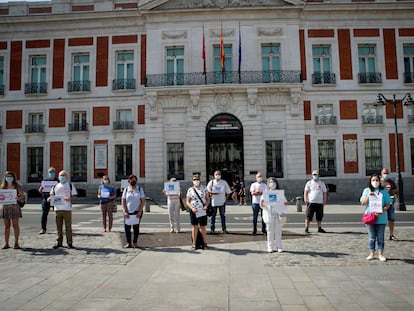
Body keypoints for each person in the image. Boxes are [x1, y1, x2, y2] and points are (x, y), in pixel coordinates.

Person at [360, 174, 392, 262]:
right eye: (373, 180)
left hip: (381, 217)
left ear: (379, 181)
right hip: (370, 217)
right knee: (371, 237)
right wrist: (368, 197)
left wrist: (383, 209)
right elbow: (362, 203)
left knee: (380, 237)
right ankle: (371, 253)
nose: (375, 182)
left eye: (377, 180)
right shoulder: (366, 190)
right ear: (370, 181)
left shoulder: (383, 191)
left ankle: (381, 254)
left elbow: (388, 203)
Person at [49, 170, 77, 249]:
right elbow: (51, 195)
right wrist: (49, 199)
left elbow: (74, 196)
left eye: (64, 175)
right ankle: (59, 242)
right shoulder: (55, 186)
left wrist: (70, 199)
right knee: (59, 227)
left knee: (68, 227)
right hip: (57, 208)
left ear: (67, 177)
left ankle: (69, 242)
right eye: (61, 175)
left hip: (67, 208)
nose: (62, 177)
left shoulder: (70, 185)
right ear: (58, 177)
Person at [260, 177, 288, 253]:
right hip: (269, 214)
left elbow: (285, 203)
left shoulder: (279, 193)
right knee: (269, 231)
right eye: (271, 182)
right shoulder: (266, 192)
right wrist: (263, 204)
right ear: (268, 184)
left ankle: (279, 246)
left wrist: (282, 205)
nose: (272, 183)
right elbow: (261, 203)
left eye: (274, 182)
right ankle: (270, 246)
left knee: (278, 231)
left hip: (278, 214)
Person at [0, 171, 25, 249]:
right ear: (5, 178)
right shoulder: (3, 186)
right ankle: (6, 243)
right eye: (7, 176)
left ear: (13, 177)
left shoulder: (17, 186)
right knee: (7, 226)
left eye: (10, 176)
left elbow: (22, 196)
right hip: (6, 207)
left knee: (15, 225)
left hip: (15, 207)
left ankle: (16, 243)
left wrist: (19, 197)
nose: (9, 178)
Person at [186, 173, 210, 250]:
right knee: (195, 226)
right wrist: (192, 208)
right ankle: (194, 243)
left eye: (197, 179)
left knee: (203, 227)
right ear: (192, 180)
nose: (196, 181)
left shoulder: (204, 188)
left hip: (202, 210)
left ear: (200, 180)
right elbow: (187, 201)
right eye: (194, 179)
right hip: (194, 210)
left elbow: (208, 199)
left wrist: (206, 206)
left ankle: (205, 243)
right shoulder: (190, 190)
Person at [121, 174, 145, 248]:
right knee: (127, 228)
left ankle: (135, 242)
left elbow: (143, 201)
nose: (133, 181)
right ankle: (128, 243)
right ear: (129, 181)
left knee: (136, 227)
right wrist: (125, 211)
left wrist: (140, 211)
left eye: (134, 179)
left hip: (137, 211)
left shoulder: (140, 189)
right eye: (131, 180)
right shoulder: (126, 189)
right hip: (128, 211)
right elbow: (123, 200)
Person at [207, 170, 232, 234]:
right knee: (213, 216)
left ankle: (224, 229)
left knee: (222, 216)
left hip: (222, 202)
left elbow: (228, 192)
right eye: (216, 174)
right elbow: (207, 190)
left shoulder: (224, 182)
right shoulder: (211, 182)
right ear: (214, 175)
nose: (217, 175)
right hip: (214, 202)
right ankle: (212, 229)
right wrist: (213, 192)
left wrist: (225, 199)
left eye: (219, 174)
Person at [304, 170, 328, 234]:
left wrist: (324, 200)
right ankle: (306, 228)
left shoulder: (321, 183)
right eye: (314, 174)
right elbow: (306, 192)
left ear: (319, 175)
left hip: (319, 203)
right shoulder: (309, 183)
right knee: (308, 216)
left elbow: (325, 192)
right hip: (311, 202)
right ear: (312, 175)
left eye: (316, 174)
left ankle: (319, 228)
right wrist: (305, 199)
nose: (315, 176)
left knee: (319, 216)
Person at [38, 167, 59, 234]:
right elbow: (41, 191)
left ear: (55, 173)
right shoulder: (45, 181)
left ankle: (59, 228)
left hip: (55, 199)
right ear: (48, 173)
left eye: (53, 172)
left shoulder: (58, 181)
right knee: (44, 214)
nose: (51, 173)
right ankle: (43, 229)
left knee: (58, 215)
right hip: (46, 199)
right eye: (50, 172)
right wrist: (40, 190)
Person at [380, 168, 398, 241]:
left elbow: (396, 191)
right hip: (381, 204)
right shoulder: (379, 182)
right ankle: (379, 235)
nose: (386, 175)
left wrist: (395, 195)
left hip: (390, 203)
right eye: (384, 173)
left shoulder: (391, 182)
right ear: (381, 173)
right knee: (380, 220)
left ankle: (391, 234)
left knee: (391, 219)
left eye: (387, 173)